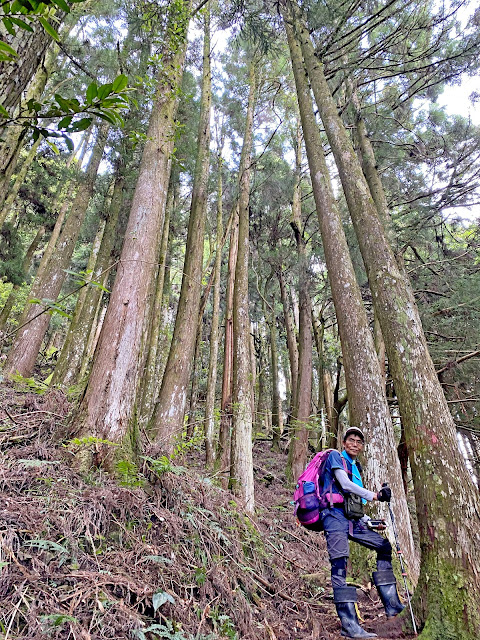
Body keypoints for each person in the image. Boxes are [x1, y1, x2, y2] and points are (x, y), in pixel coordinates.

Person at [320, 427, 405, 639]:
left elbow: (353, 502)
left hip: (352, 520)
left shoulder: (355, 466)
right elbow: (345, 485)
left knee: (384, 547)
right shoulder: (334, 457)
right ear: (343, 441)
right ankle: (349, 625)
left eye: (359, 441)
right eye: (351, 439)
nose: (355, 443)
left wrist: (369, 521)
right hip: (333, 517)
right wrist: (376, 496)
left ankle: (392, 606)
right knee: (340, 563)